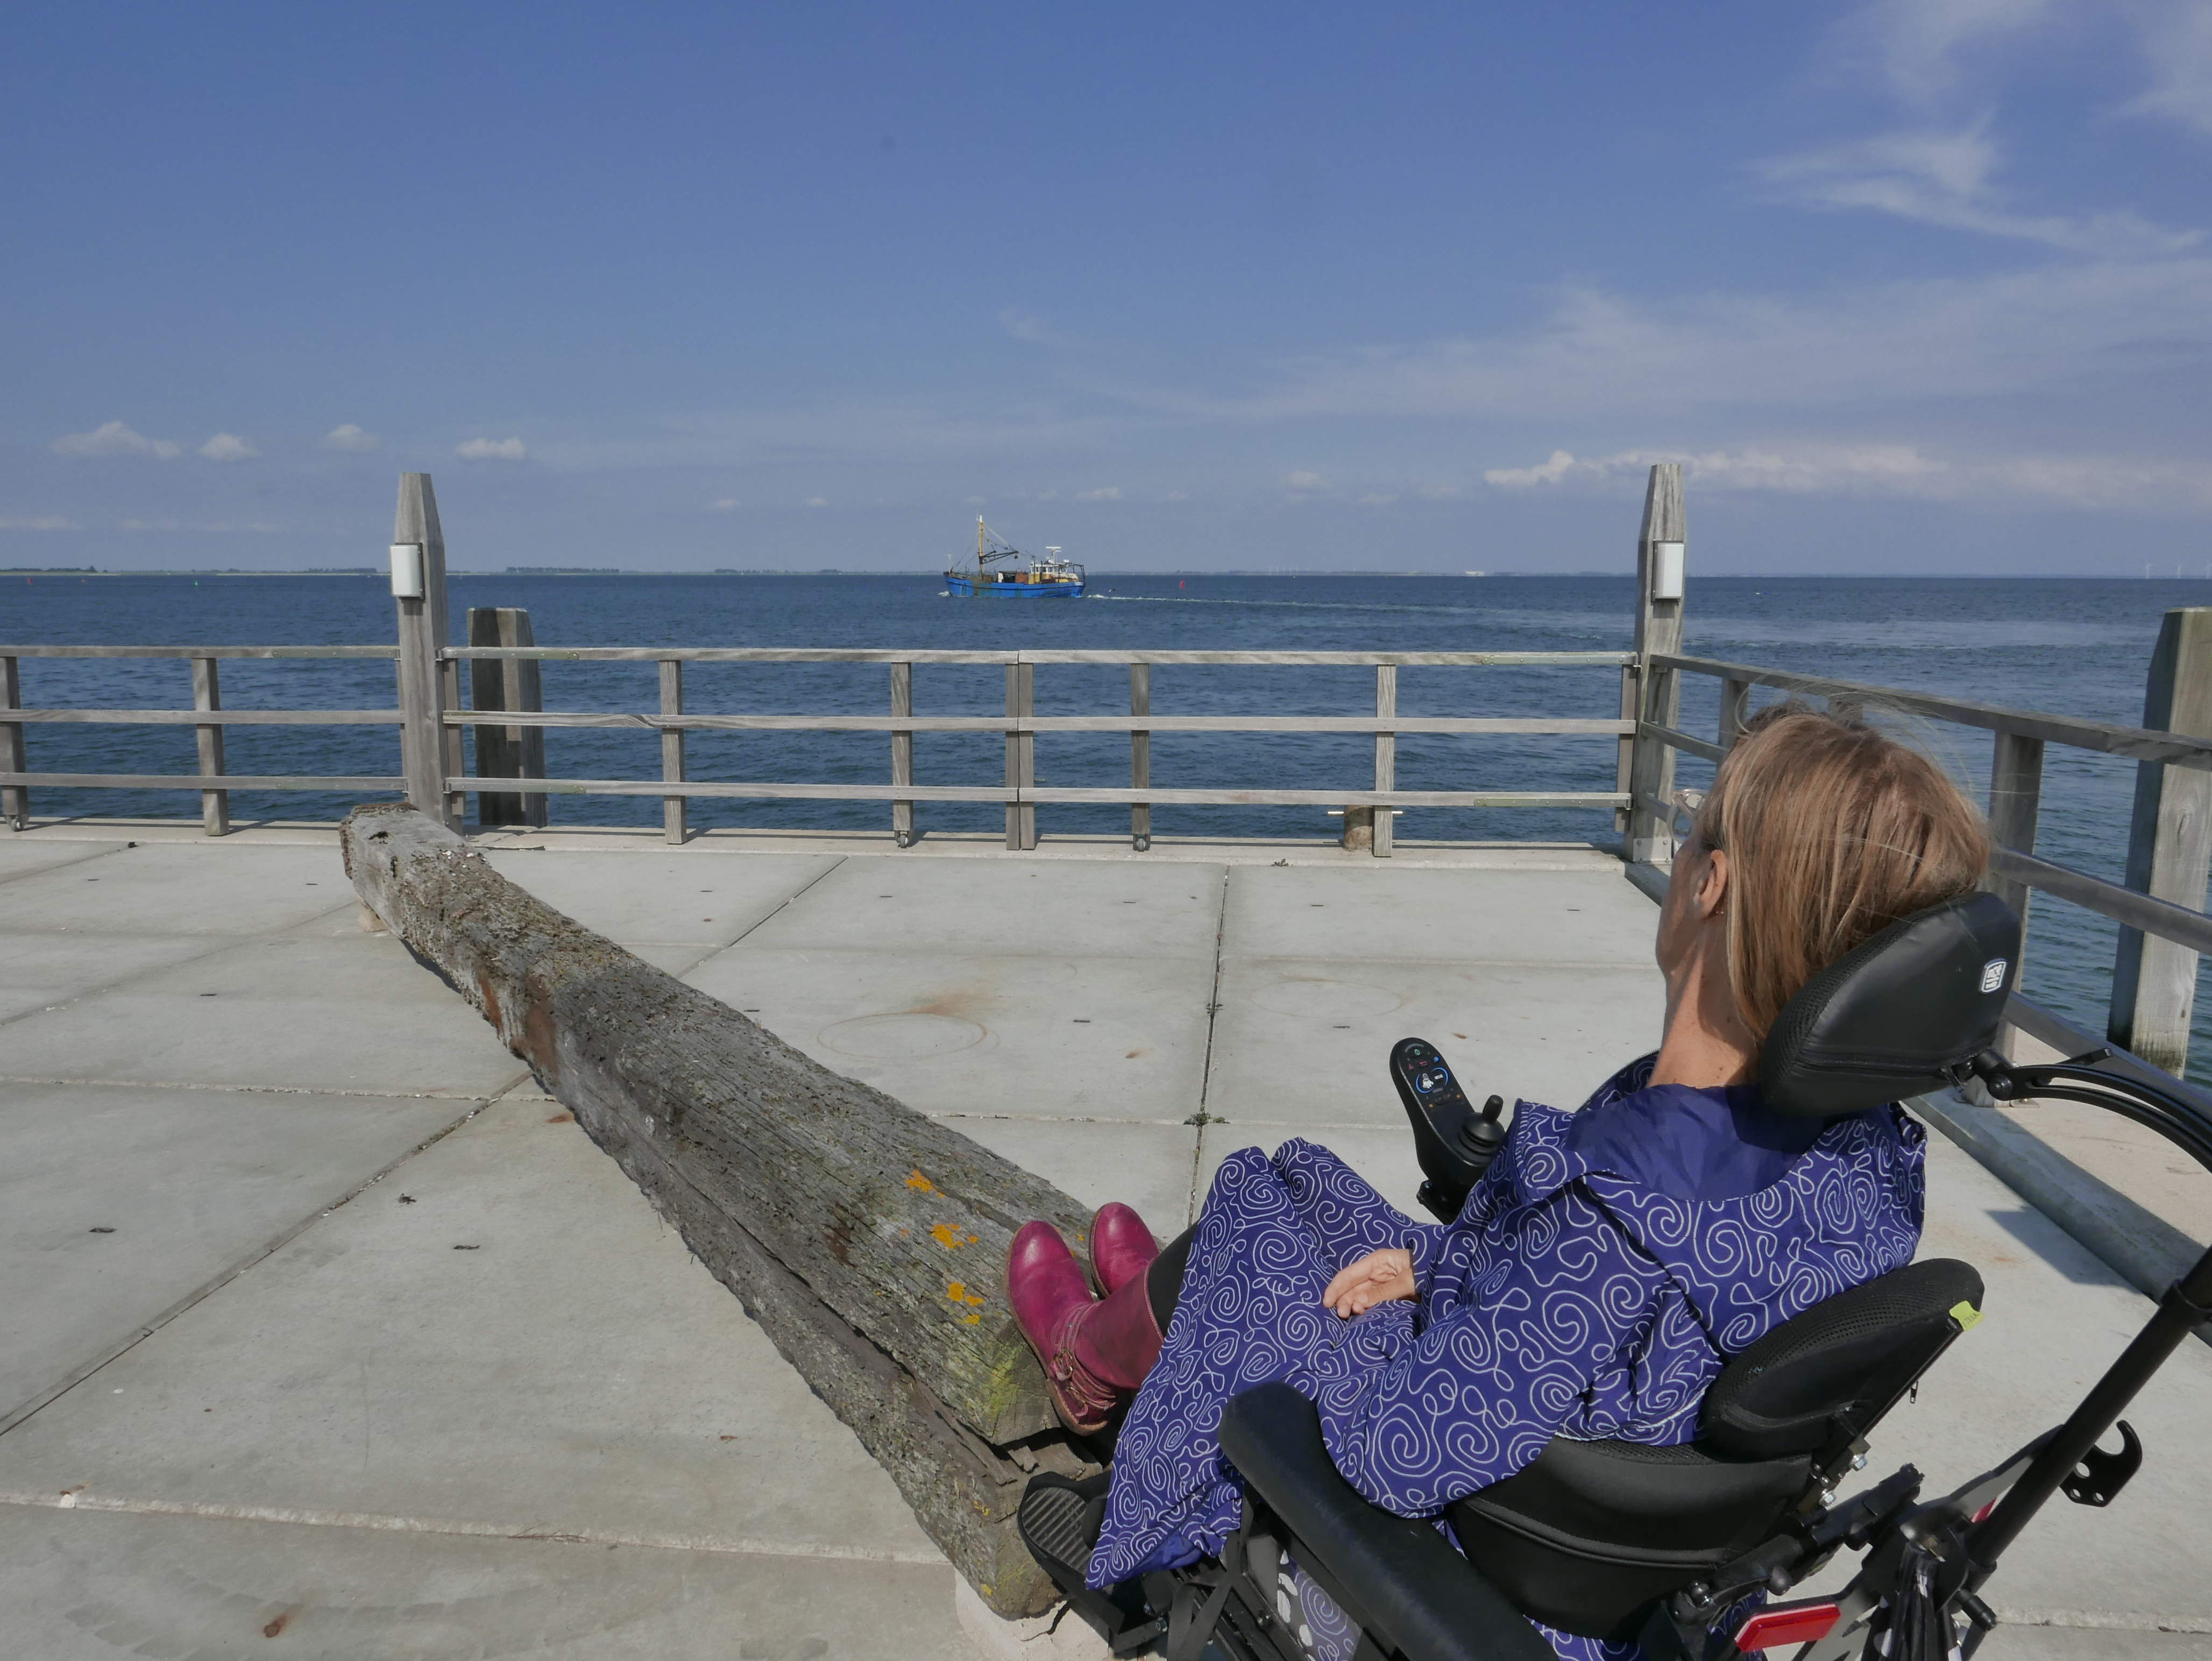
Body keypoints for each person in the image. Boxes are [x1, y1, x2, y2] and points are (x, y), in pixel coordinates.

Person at [1004, 706, 1994, 1661]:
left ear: (1710, 885)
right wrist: (1437, 1270)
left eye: (1693, 828)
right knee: (1309, 1185)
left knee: (1255, 1209)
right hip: (1583, 1458)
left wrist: (1379, 1324)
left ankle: (1095, 1380)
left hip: (1491, 1540)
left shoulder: (1622, 1215)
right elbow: (1619, 1330)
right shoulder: (1865, 1159)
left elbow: (1402, 1451)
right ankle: (1146, 1329)